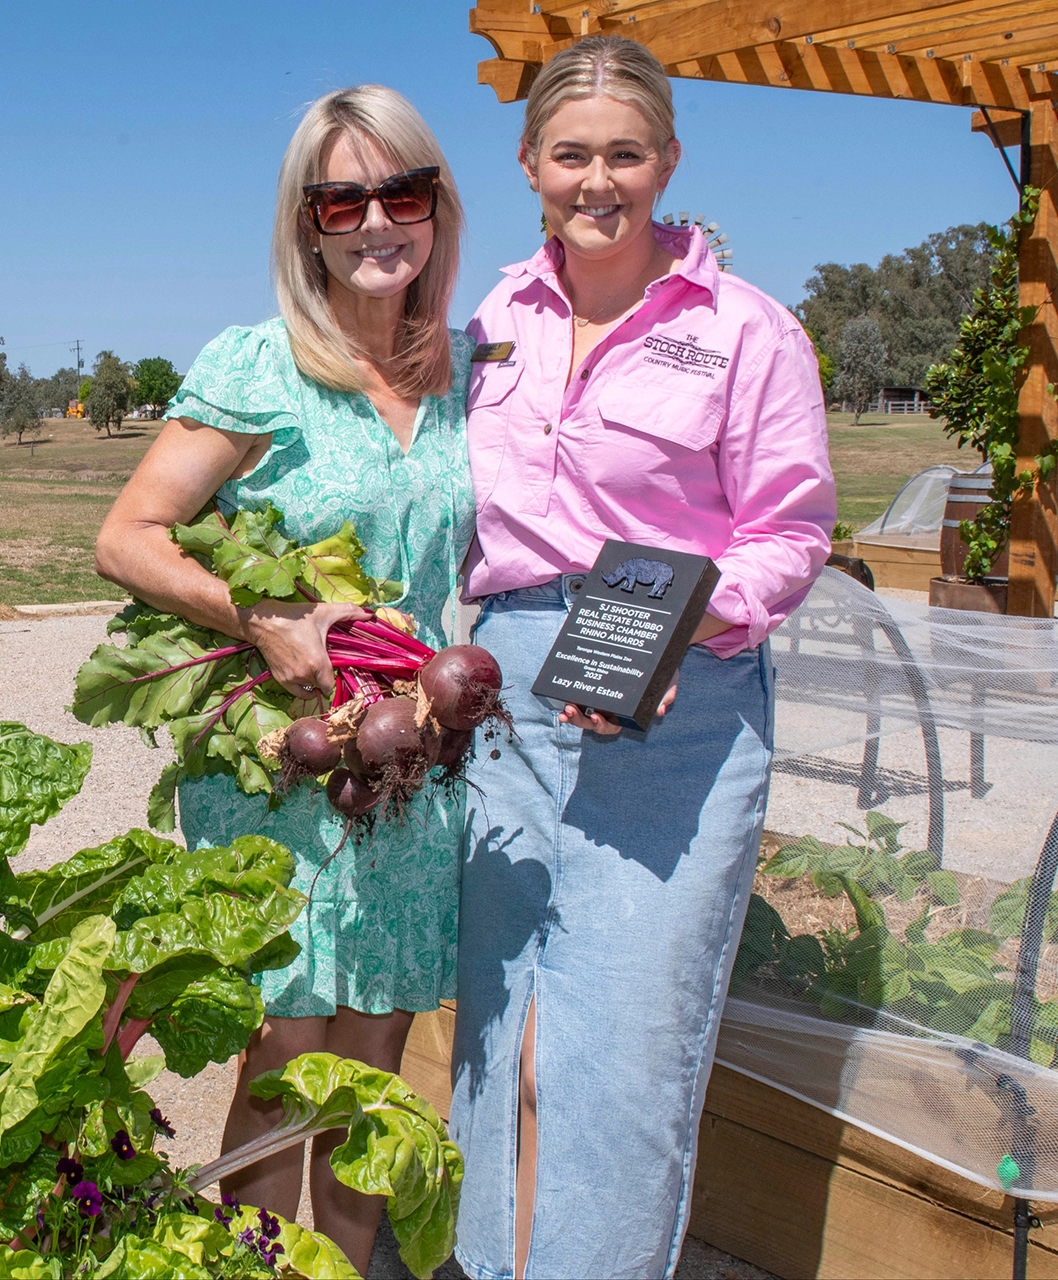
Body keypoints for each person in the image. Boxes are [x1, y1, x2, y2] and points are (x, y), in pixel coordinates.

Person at [451, 34, 836, 1280]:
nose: (597, 180)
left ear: (668, 160)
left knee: (619, 1053)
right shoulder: (493, 320)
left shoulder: (748, 331)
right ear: (528, 164)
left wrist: (689, 624)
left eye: (626, 152)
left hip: (680, 703)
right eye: (572, 153)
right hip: (506, 697)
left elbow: (789, 531)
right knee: (499, 1030)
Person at [93, 84, 471, 1271]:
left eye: (398, 192)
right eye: (342, 198)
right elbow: (129, 535)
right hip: (286, 765)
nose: (374, 222)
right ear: (307, 222)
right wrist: (261, 614)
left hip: (409, 761)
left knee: (370, 1072)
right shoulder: (259, 364)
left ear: (435, 207)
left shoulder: (463, 370)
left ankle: (348, 1265)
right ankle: (250, 1259)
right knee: (281, 1055)